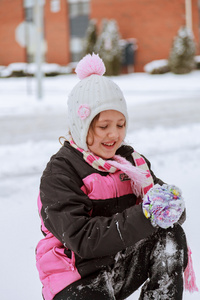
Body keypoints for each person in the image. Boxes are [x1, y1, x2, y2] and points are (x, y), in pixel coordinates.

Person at [36, 53, 189, 300]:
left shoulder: (131, 163)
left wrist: (170, 206)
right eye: (103, 126)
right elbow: (82, 239)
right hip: (75, 276)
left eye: (120, 124)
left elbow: (164, 213)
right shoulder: (61, 172)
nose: (114, 135)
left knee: (169, 234)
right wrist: (146, 214)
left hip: (115, 265)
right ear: (81, 126)